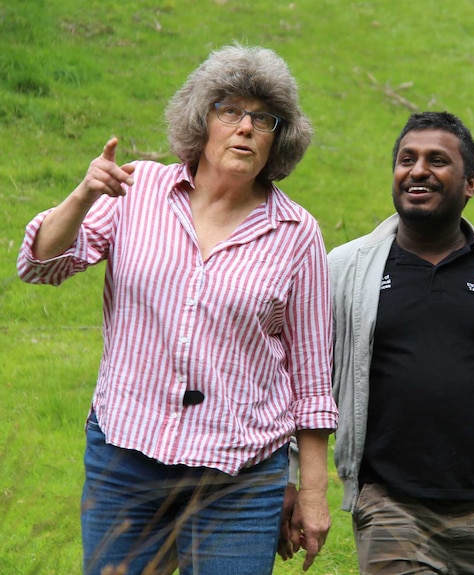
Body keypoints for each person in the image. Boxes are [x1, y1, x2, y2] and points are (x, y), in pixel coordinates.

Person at [17, 44, 338, 575]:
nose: (245, 128)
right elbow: (42, 264)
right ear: (201, 118)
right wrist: (83, 195)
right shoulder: (137, 191)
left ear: (279, 137)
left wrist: (312, 493)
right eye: (229, 111)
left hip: (238, 478)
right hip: (125, 458)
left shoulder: (296, 234)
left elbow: (310, 377)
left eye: (264, 119)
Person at [328, 111, 474, 574]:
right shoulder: (345, 270)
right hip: (392, 508)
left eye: (437, 160)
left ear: (470, 184)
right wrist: (298, 484)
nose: (418, 170)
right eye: (407, 159)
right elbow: (306, 382)